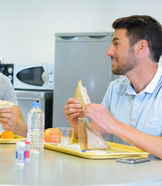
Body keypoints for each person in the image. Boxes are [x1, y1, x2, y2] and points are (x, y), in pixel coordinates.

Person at [64, 15, 162, 159]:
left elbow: (112, 125)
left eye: (116, 44)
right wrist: (77, 122)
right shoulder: (115, 89)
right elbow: (92, 141)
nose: (108, 52)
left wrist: (114, 125)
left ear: (141, 47)